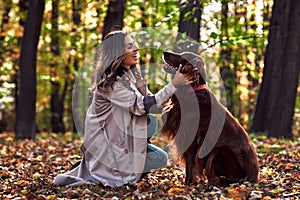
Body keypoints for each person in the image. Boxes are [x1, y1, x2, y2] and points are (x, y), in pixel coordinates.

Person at [53, 30, 195, 187]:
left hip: (124, 140)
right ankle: (116, 172)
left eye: (134, 43)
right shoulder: (110, 84)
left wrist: (174, 85)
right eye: (129, 46)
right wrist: (173, 84)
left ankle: (132, 166)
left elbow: (154, 106)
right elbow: (143, 106)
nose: (136, 48)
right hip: (108, 147)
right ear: (118, 53)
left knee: (158, 151)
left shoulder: (131, 76)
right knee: (150, 125)